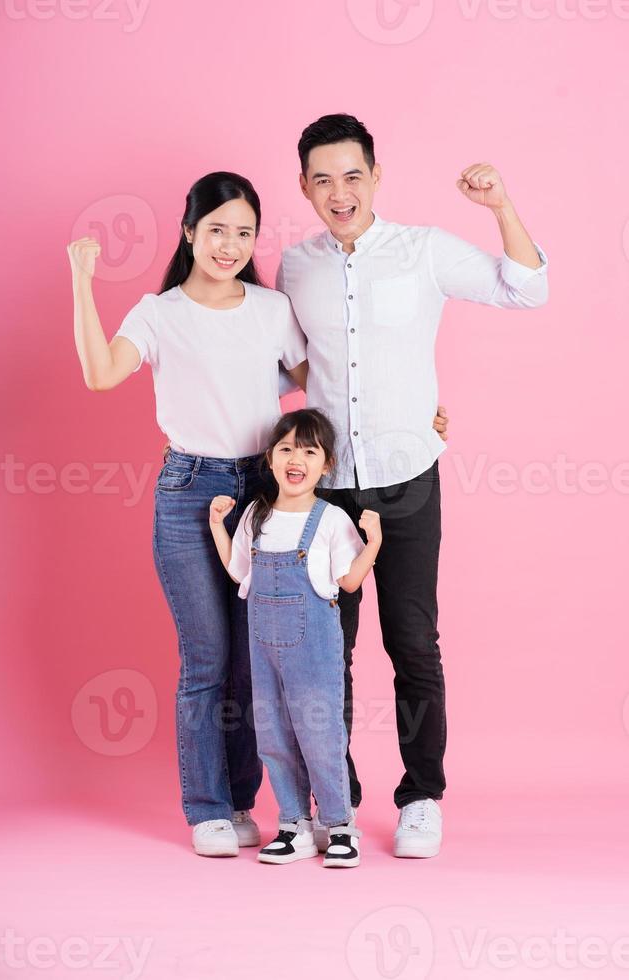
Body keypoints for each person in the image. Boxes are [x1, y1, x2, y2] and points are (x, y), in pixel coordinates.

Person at [276, 113, 549, 858]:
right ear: (303, 185)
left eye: (353, 175)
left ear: (376, 175)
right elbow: (294, 366)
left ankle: (422, 795)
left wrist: (500, 206)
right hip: (329, 491)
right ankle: (337, 797)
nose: (340, 192)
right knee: (326, 647)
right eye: (323, 179)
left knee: (413, 642)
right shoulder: (295, 267)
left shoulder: (422, 251)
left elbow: (526, 288)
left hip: (407, 483)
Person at [67, 171, 309, 857]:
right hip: (188, 489)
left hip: (264, 493)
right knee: (206, 658)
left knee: (250, 664)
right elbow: (100, 373)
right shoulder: (158, 312)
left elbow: (316, 387)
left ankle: (239, 801)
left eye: (243, 232)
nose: (229, 245)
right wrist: (83, 282)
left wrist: (408, 415)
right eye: (216, 230)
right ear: (189, 233)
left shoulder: (269, 310)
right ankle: (206, 808)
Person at [209, 408, 382, 868]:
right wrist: (216, 527)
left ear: (326, 465)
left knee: (321, 734)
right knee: (272, 735)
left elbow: (348, 582)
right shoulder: (255, 515)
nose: (295, 458)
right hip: (263, 648)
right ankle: (293, 824)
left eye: (309, 450)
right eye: (286, 447)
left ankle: (340, 825)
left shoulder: (329, 520)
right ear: (270, 459)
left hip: (315, 651)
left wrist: (374, 544)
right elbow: (238, 571)